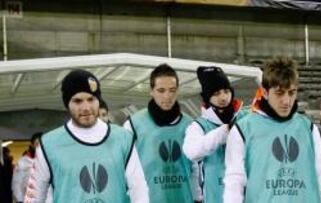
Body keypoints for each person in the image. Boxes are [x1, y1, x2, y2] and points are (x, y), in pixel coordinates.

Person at [25, 69, 149, 203]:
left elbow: (139, 188)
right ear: (67, 104)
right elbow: (35, 196)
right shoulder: (48, 145)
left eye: (91, 99)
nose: (86, 107)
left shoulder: (123, 138)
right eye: (78, 101)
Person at [223, 56, 321, 203]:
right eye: (279, 93)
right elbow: (234, 183)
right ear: (265, 93)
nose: (286, 101)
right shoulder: (243, 129)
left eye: (292, 93)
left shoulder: (308, 128)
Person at [123, 64, 200, 203]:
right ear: (151, 91)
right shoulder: (133, 125)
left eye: (172, 90)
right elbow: (126, 170)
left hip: (183, 198)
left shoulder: (190, 125)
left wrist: (198, 197)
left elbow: (195, 168)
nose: (167, 96)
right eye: (161, 90)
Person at [183, 66, 246, 203]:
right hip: (215, 196)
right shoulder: (198, 126)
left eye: (226, 91)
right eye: (216, 93)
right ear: (207, 97)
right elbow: (191, 151)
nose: (223, 97)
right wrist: (222, 133)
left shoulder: (244, 118)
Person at [12, 132, 42, 203]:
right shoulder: (23, 162)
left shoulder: (50, 160)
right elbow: (17, 182)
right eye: (37, 144)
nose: (40, 147)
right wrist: (19, 200)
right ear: (32, 145)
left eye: (42, 144)